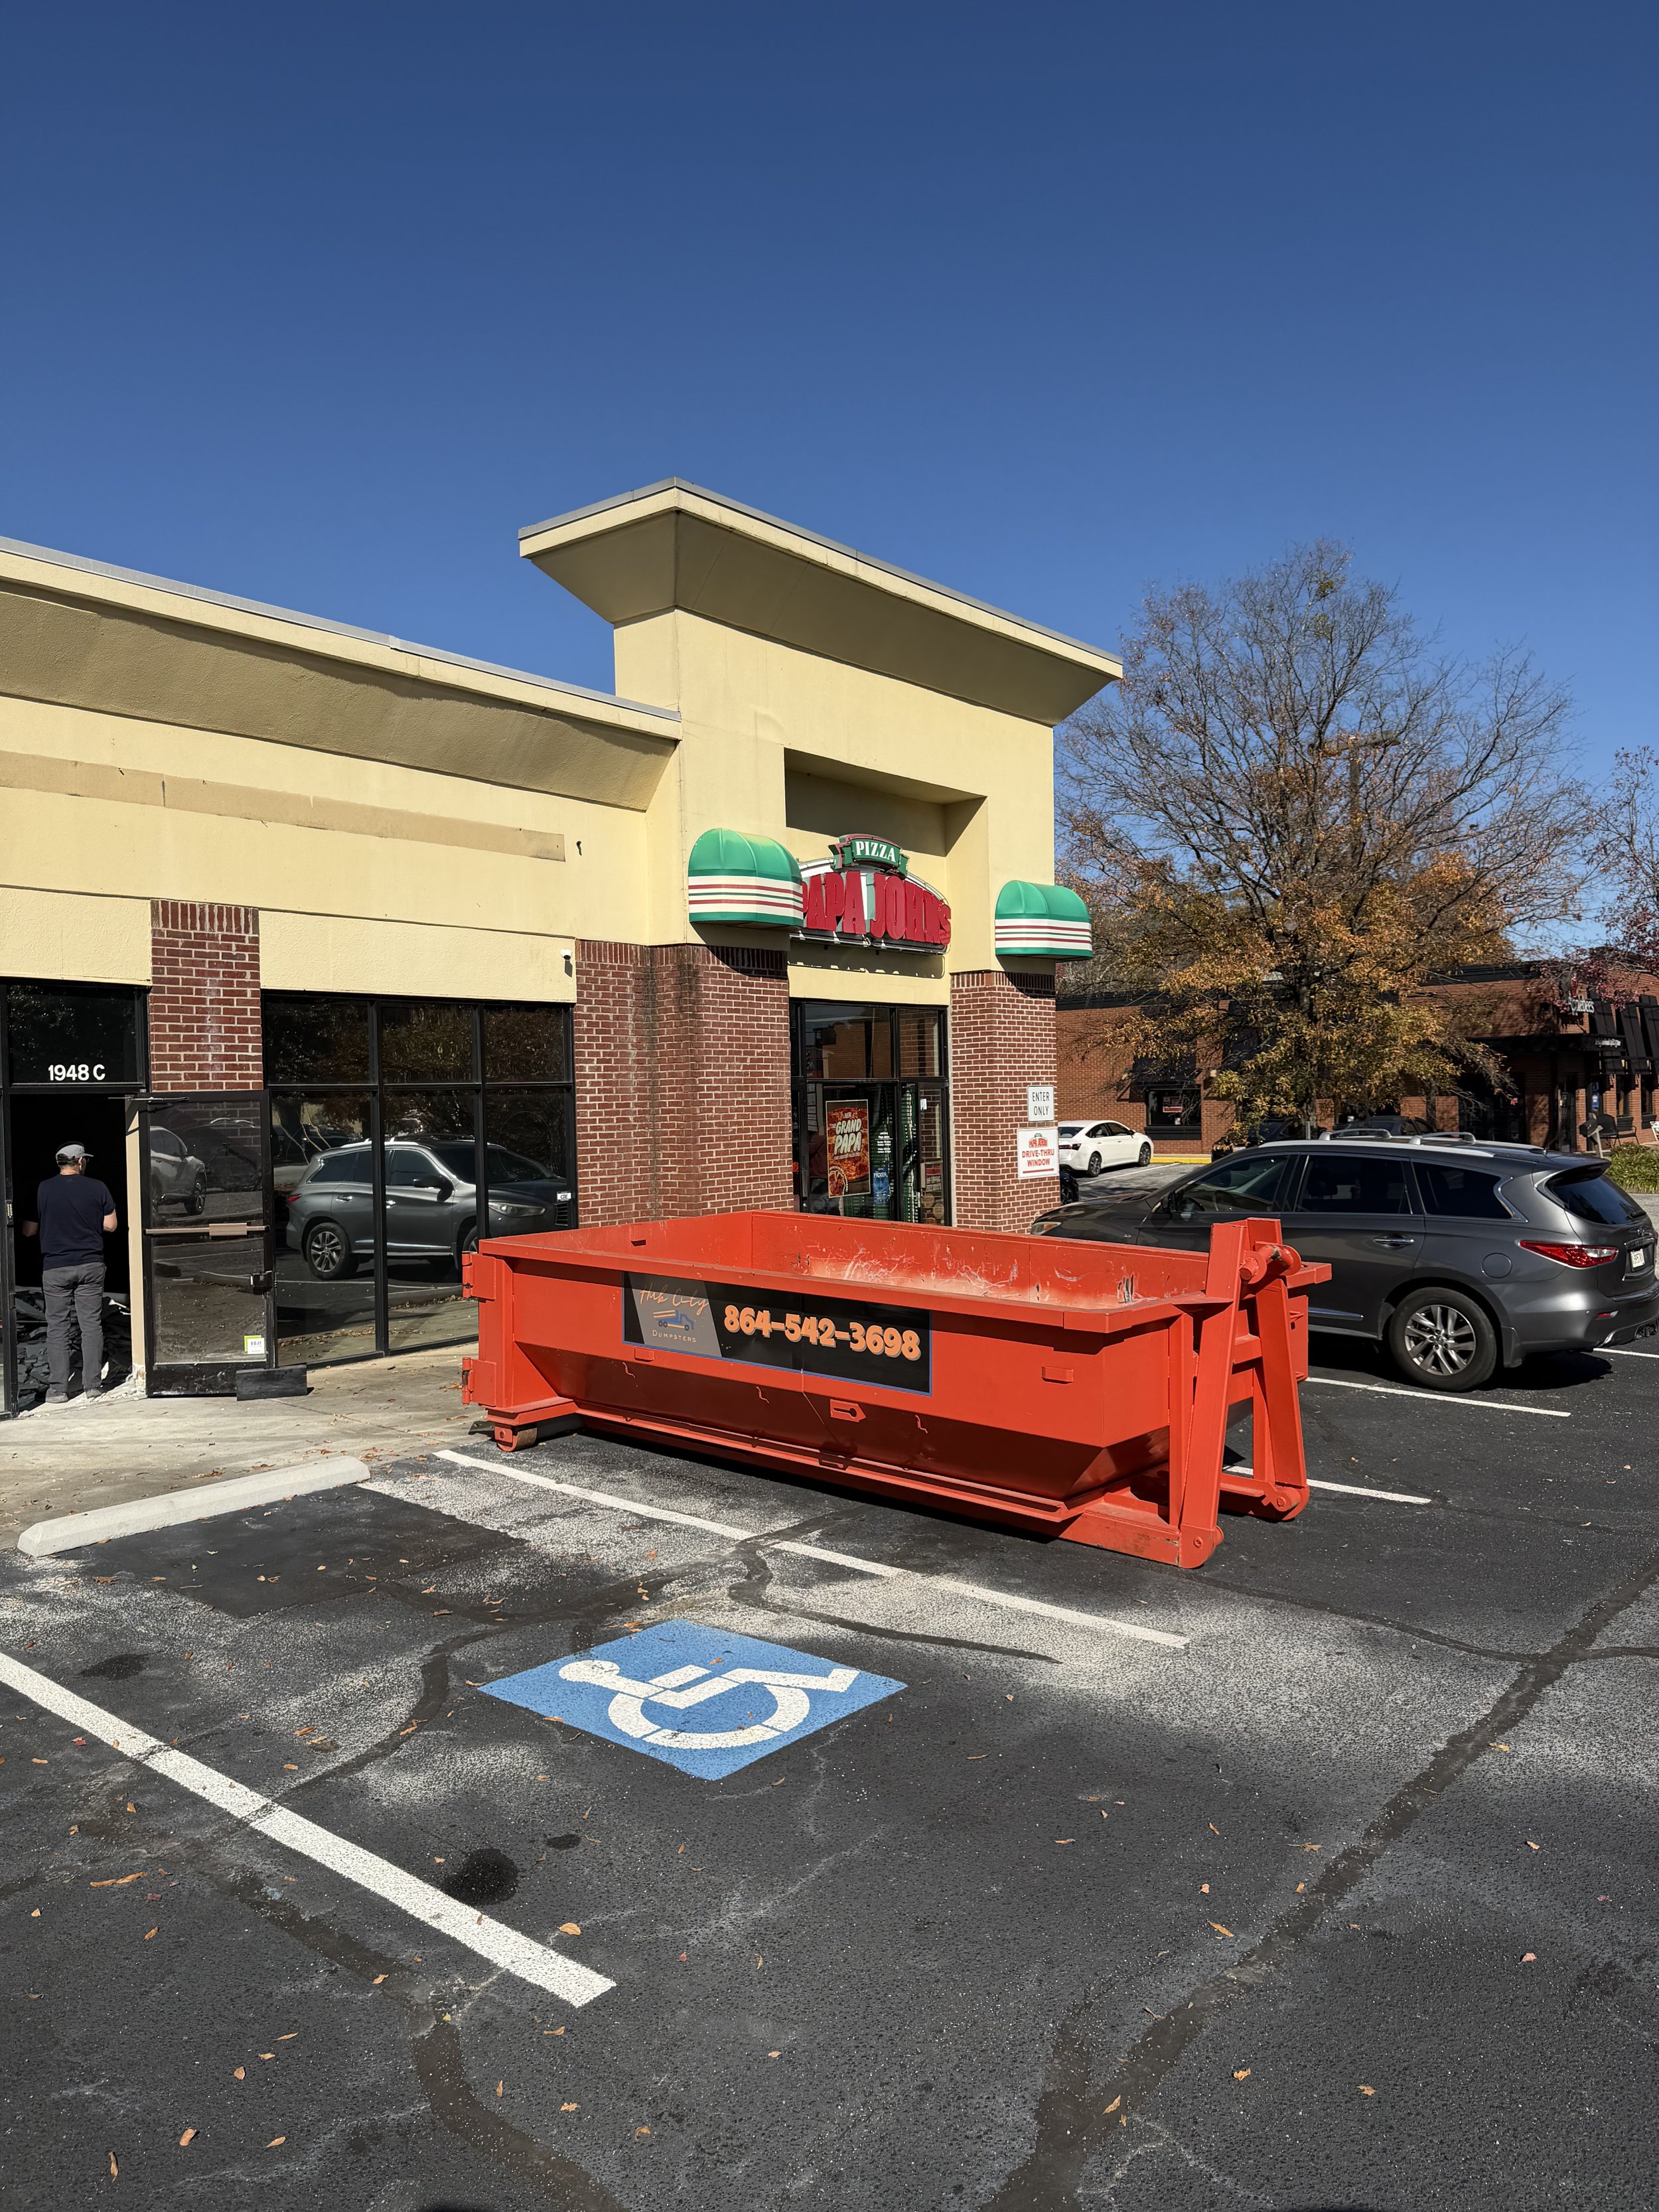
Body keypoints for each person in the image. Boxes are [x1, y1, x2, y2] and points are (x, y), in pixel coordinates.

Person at [21, 1143, 117, 1404]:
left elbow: (28, 1231)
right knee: (91, 1326)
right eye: (85, 1160)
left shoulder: (42, 1189)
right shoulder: (98, 1187)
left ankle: (58, 1390)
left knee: (57, 1328)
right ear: (79, 1162)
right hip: (90, 1265)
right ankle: (93, 1386)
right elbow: (111, 1225)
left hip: (55, 1268)